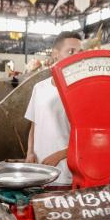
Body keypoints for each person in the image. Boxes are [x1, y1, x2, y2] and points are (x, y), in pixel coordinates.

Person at [25, 32, 82, 187]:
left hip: (65, 171)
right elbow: (34, 124)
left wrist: (60, 155)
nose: (76, 56)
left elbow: (87, 137)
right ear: (56, 54)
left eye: (79, 52)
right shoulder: (40, 87)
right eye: (71, 51)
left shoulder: (82, 89)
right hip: (38, 168)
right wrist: (30, 152)